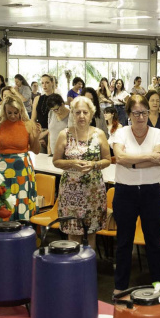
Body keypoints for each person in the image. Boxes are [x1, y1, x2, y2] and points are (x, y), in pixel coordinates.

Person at [110, 95, 160, 294]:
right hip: (125, 191)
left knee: (153, 241)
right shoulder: (121, 133)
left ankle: (158, 285)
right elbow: (120, 158)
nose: (141, 117)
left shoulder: (157, 133)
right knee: (124, 241)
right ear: (129, 114)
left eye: (144, 112)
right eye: (136, 113)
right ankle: (120, 287)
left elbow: (159, 159)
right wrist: (147, 157)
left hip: (151, 192)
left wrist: (131, 161)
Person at [52, 96, 111, 250]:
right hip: (70, 193)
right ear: (72, 114)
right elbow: (56, 161)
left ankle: (88, 268)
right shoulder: (64, 134)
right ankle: (73, 269)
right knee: (73, 233)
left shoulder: (99, 134)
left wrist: (94, 164)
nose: (82, 116)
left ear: (91, 114)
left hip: (94, 192)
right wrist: (72, 163)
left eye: (85, 112)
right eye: (77, 112)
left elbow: (107, 160)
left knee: (91, 232)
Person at [0, 90, 40, 220]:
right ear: (4, 111)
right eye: (9, 113)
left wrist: (36, 138)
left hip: (22, 169)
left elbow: (36, 150)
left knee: (22, 199)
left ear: (21, 110)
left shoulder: (28, 125)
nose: (13, 116)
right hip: (3, 167)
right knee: (4, 200)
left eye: (16, 112)